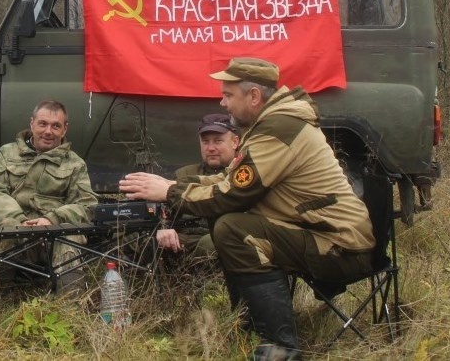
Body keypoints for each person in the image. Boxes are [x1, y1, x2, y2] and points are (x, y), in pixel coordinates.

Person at [120, 58, 375, 360]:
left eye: (228, 95)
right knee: (227, 223)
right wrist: (172, 183)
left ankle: (281, 347)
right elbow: (232, 179)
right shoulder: (271, 124)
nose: (222, 102)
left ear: (253, 96)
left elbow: (234, 193)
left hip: (340, 247)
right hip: (322, 235)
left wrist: (171, 192)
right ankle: (249, 325)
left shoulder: (278, 129)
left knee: (232, 228)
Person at [0, 100, 98, 294]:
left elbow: (87, 205)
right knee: (5, 235)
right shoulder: (7, 153)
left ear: (64, 130)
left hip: (54, 235)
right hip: (16, 229)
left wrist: (51, 220)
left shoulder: (75, 164)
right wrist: (18, 223)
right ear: (32, 124)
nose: (48, 131)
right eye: (43, 124)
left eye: (56, 126)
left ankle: (71, 310)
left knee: (69, 237)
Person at [155, 113, 239, 257]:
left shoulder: (243, 173)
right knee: (139, 238)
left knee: (212, 243)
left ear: (235, 142)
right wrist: (163, 228)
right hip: (183, 240)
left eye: (218, 141)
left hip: (218, 238)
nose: (210, 148)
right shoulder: (185, 174)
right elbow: (165, 209)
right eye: (205, 142)